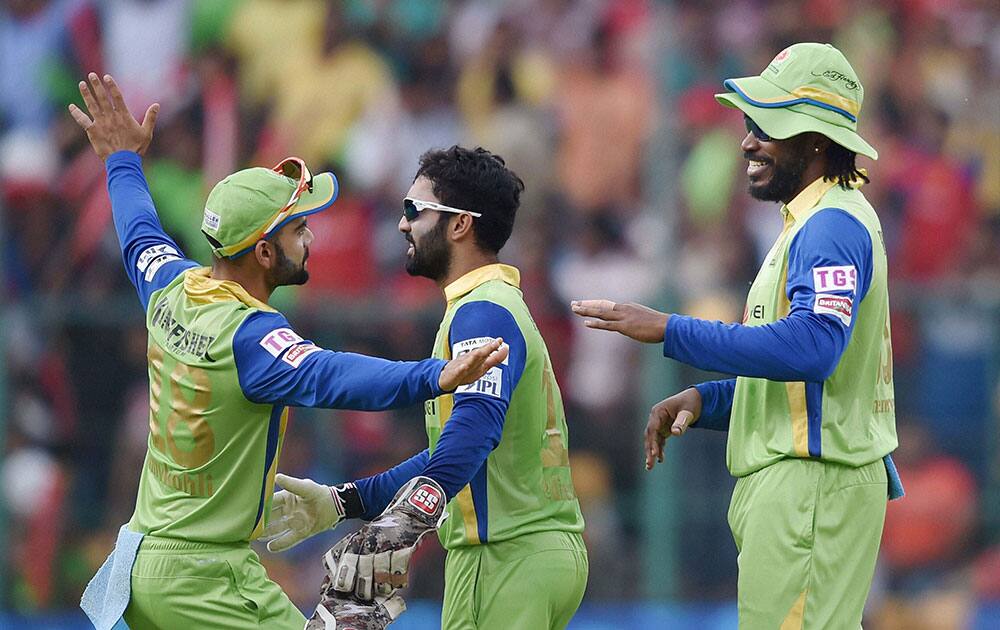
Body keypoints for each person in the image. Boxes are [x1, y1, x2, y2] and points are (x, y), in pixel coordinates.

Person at [69, 73, 508, 630]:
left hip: (143, 567)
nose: (311, 239)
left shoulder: (169, 288)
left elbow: (137, 230)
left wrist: (122, 160)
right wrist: (436, 375)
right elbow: (333, 375)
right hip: (207, 575)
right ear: (263, 251)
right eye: (299, 228)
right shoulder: (251, 336)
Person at [570, 43, 904, 629]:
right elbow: (808, 379)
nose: (747, 140)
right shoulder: (821, 221)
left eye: (767, 126)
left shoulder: (830, 226)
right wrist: (708, 400)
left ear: (817, 142)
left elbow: (814, 350)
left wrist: (670, 329)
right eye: (749, 122)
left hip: (810, 485)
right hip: (805, 482)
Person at [268, 146, 589, 629]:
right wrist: (343, 502)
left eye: (414, 210)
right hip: (530, 553)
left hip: (502, 556)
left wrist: (399, 529)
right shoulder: (491, 305)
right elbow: (456, 453)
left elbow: (474, 431)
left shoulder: (481, 311)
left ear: (460, 224)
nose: (402, 224)